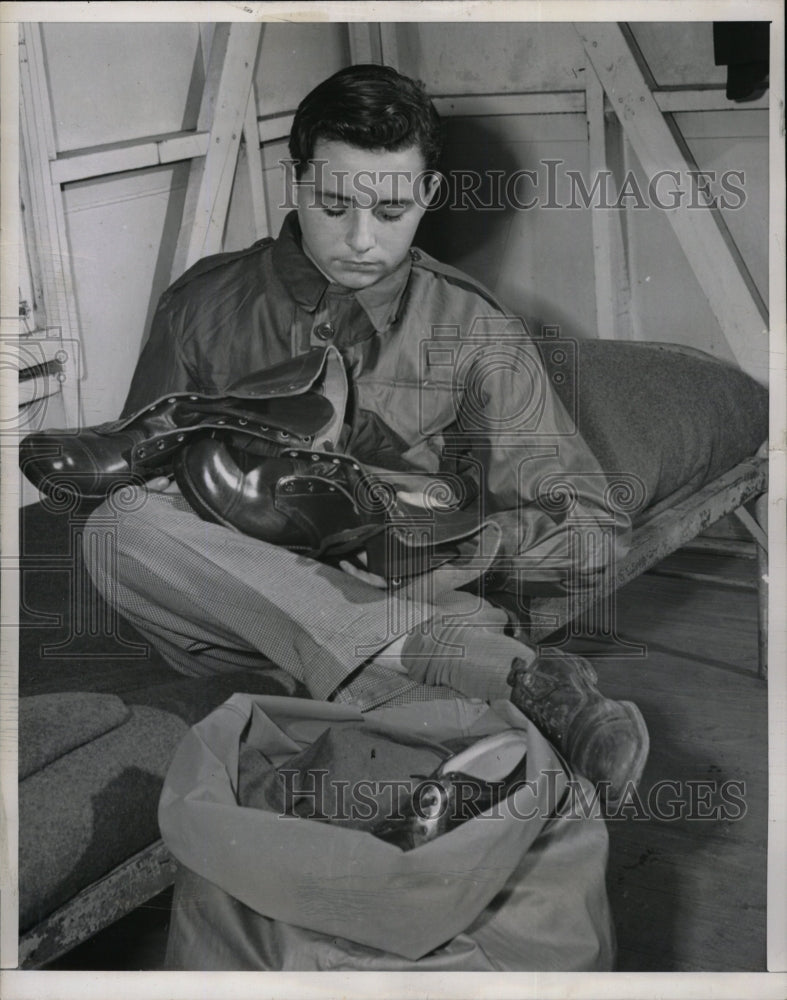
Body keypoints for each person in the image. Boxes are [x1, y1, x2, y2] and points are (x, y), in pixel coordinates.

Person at [86, 64, 649, 802]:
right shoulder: (202, 305)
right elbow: (144, 477)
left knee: (450, 794)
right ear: (296, 182)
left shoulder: (474, 331)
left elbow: (594, 526)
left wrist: (461, 541)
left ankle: (448, 721)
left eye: (389, 212)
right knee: (117, 525)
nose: (359, 239)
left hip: (414, 602)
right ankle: (499, 685)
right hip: (239, 613)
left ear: (428, 197)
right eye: (332, 205)